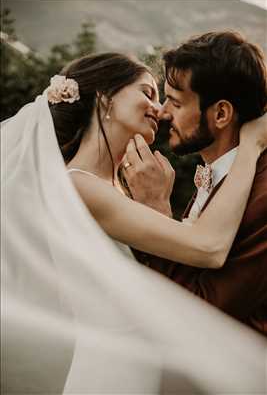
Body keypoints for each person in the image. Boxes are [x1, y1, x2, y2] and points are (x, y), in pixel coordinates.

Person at [2, 51, 267, 395]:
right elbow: (208, 247)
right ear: (105, 99)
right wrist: (252, 145)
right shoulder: (80, 186)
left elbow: (180, 271)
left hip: (141, 368)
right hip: (112, 373)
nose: (159, 110)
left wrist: (158, 204)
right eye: (147, 93)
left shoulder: (119, 191)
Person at [122, 32, 267, 336]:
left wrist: (156, 211)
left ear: (221, 113)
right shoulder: (219, 172)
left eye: (175, 102)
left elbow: (204, 311)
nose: (161, 112)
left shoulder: (262, 189)